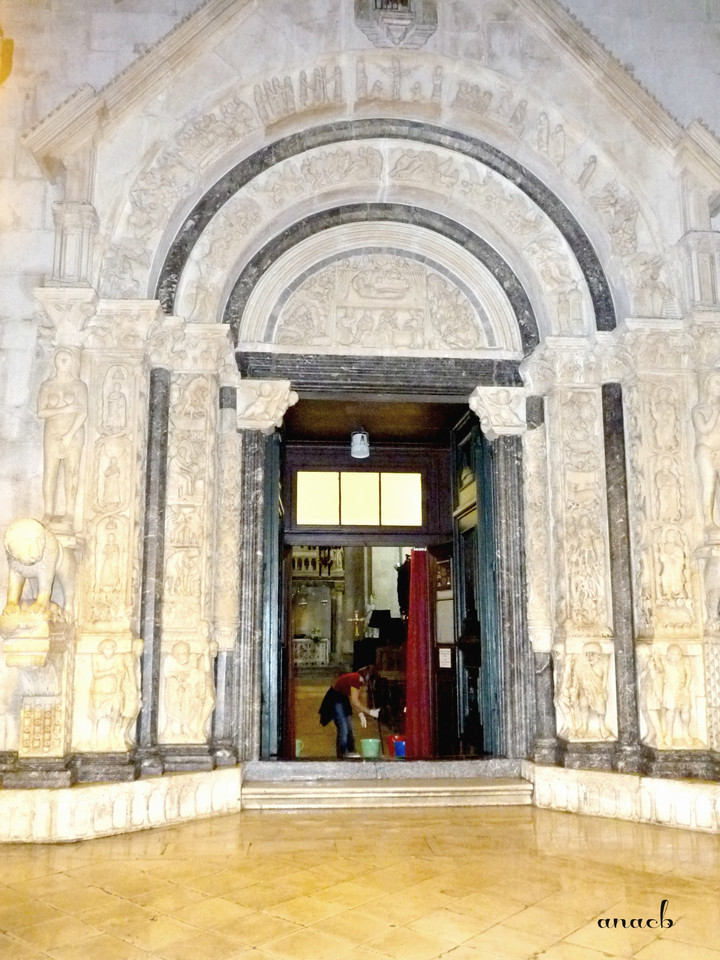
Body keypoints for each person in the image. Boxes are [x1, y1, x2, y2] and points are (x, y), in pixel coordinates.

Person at [319, 665, 379, 758]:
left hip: (343, 699)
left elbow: (356, 700)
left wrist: (361, 714)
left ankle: (351, 750)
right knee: (343, 727)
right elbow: (355, 702)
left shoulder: (359, 680)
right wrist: (370, 712)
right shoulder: (355, 679)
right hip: (335, 698)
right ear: (367, 677)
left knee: (350, 726)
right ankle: (342, 752)